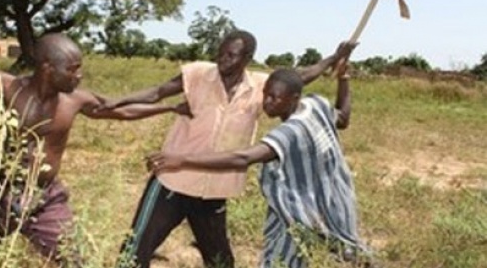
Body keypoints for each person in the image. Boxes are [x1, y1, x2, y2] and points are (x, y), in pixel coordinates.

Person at [0, 0, 185, 267]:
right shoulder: (10, 88)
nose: (79, 76)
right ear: (47, 68)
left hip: (46, 199)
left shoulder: (75, 100)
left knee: (73, 262)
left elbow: (120, 110)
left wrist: (169, 108)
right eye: (72, 70)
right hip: (0, 193)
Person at [104, 28, 357, 267]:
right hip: (172, 180)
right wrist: (117, 101)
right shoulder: (198, 73)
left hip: (214, 188)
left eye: (231, 55)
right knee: (135, 252)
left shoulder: (261, 87)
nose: (222, 60)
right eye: (220, 53)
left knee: (220, 261)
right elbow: (157, 92)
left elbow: (299, 77)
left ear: (247, 58)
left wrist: (335, 58)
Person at [147, 58, 372, 268]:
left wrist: (181, 158)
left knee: (286, 259)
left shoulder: (290, 132)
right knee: (340, 249)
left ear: (294, 98)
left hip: (302, 211)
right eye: (266, 94)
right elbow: (342, 117)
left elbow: (242, 157)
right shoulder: (316, 105)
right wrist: (344, 80)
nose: (267, 103)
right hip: (336, 199)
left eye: (276, 98)